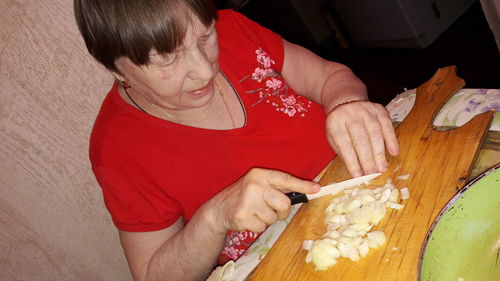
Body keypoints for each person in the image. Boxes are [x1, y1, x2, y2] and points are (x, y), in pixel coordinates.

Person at [74, 0, 399, 280]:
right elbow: (153, 275)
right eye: (167, 58)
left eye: (205, 35)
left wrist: (345, 104)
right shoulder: (118, 150)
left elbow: (330, 77)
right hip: (302, 264)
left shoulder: (234, 28)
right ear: (114, 67)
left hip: (375, 187)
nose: (204, 70)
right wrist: (215, 217)